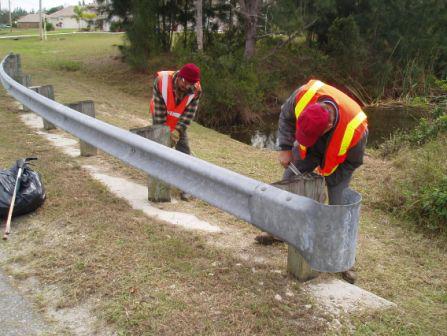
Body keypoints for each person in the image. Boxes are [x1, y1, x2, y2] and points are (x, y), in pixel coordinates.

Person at [255, 79, 368, 283]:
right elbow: (286, 117)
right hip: (310, 151)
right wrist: (286, 148)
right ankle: (278, 231)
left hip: (340, 163)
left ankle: (343, 258)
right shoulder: (304, 95)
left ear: (329, 125)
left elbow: (354, 162)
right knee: (290, 182)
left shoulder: (356, 128)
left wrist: (330, 180)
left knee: (339, 204)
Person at [150, 63, 202, 200]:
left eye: (191, 84)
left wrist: (177, 132)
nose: (187, 86)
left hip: (179, 120)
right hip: (161, 114)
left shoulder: (196, 91)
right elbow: (159, 113)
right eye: (185, 82)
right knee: (160, 146)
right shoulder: (161, 81)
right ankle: (160, 181)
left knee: (184, 151)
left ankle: (187, 187)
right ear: (179, 76)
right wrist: (164, 136)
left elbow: (188, 115)